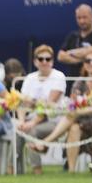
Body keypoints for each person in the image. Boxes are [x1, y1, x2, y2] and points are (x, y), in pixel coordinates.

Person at [31, 48, 92, 172]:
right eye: (88, 61)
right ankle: (72, 170)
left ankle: (45, 142)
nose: (91, 64)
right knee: (73, 127)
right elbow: (72, 104)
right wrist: (77, 111)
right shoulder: (79, 82)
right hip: (81, 119)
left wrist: (80, 112)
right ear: (84, 64)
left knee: (72, 116)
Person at [18, 45, 66, 174]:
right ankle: (14, 168)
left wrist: (31, 121)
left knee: (31, 130)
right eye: (41, 59)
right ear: (35, 61)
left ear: (52, 61)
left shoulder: (59, 76)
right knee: (18, 129)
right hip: (32, 118)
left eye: (48, 59)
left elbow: (49, 105)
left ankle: (36, 169)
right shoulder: (30, 78)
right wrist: (21, 121)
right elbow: (22, 104)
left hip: (54, 120)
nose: (44, 62)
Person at [57, 4, 92, 82]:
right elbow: (60, 56)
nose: (82, 21)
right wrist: (82, 60)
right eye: (79, 18)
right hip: (72, 80)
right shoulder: (72, 36)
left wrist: (70, 52)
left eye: (85, 17)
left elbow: (91, 52)